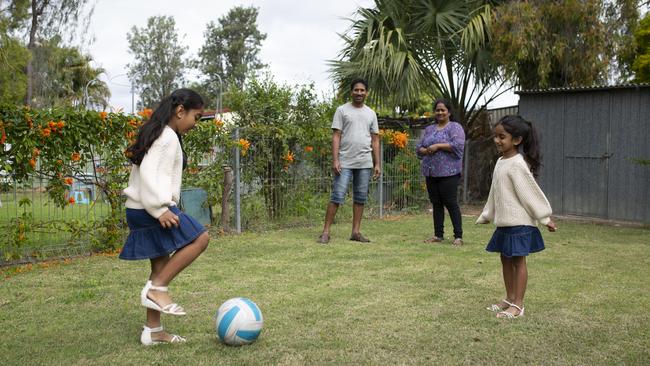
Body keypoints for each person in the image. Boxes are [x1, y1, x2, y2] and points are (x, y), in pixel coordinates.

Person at [120, 88, 210, 344]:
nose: (196, 123)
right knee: (200, 238)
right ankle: (156, 289)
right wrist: (159, 209)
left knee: (160, 266)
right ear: (180, 111)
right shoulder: (167, 135)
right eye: (197, 116)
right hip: (150, 209)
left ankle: (153, 331)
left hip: (140, 209)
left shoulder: (163, 132)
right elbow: (148, 173)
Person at [477, 115, 557, 319]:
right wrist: (487, 214)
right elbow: (495, 192)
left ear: (517, 139)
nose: (497, 141)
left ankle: (518, 306)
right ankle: (509, 298)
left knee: (518, 261)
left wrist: (545, 218)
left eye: (501, 137)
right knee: (505, 259)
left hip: (520, 224)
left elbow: (530, 193)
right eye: (495, 136)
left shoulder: (517, 164)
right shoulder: (501, 162)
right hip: (504, 223)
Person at [318, 78, 380, 244]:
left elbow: (375, 140)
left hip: (364, 163)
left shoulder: (371, 113)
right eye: (356, 90)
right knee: (337, 196)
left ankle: (356, 232)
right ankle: (325, 232)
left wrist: (377, 163)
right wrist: (336, 159)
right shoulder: (342, 110)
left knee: (360, 198)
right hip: (345, 162)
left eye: (362, 90)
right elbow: (336, 135)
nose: (359, 93)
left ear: (366, 93)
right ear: (351, 92)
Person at [415, 99, 465, 246]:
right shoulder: (430, 129)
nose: (440, 112)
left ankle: (458, 236)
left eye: (443, 110)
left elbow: (458, 145)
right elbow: (419, 147)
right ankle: (438, 235)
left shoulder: (455, 127)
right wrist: (425, 150)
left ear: (449, 112)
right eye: (437, 110)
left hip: (449, 173)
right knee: (436, 203)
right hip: (430, 172)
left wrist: (438, 146)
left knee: (450, 203)